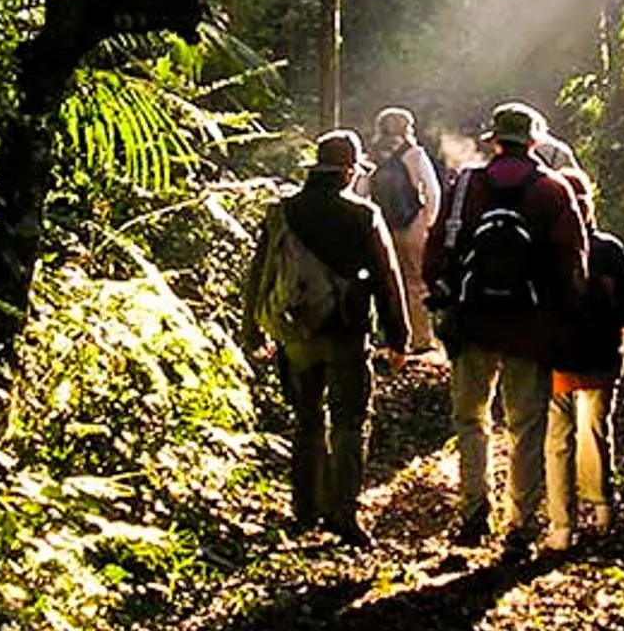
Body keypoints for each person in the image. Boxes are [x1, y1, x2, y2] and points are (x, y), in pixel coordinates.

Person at [425, 102, 589, 554]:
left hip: (472, 320)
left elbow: (437, 250)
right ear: (535, 141)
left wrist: (443, 299)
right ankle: (519, 524)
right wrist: (565, 324)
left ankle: (474, 512)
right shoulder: (554, 190)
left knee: (471, 419)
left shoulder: (465, 186)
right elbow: (573, 263)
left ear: (493, 140)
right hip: (530, 328)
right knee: (527, 426)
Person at [242, 130, 410, 549]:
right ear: (350, 171)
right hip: (347, 333)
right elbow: (387, 279)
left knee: (307, 420)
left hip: (295, 332)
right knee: (350, 421)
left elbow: (259, 274)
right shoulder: (364, 214)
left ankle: (304, 508)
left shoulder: (282, 212)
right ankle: (344, 513)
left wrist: (251, 327)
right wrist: (397, 337)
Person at [542, 168, 624, 551]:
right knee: (597, 431)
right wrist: (621, 323)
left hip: (555, 359)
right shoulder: (608, 248)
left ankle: (561, 527)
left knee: (558, 440)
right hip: (602, 356)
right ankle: (603, 509)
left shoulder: (545, 248)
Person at [368, 107, 444, 353]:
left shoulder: (372, 155)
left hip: (381, 224)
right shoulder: (415, 154)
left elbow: (361, 190)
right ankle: (421, 339)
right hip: (412, 223)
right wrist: (428, 220)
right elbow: (432, 191)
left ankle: (389, 336)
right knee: (416, 282)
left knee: (386, 280)